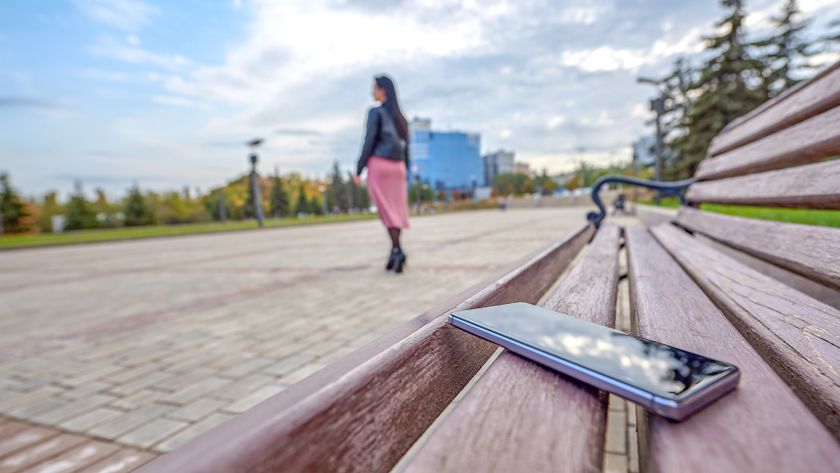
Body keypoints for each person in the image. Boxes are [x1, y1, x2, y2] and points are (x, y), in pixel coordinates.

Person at [355, 75, 410, 273]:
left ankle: (397, 250)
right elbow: (407, 150)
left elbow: (368, 141)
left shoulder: (375, 113)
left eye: (374, 88)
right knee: (395, 211)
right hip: (398, 168)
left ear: (382, 90)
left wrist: (359, 168)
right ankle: (394, 252)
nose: (372, 92)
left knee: (387, 211)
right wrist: (406, 172)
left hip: (380, 165)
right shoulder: (401, 118)